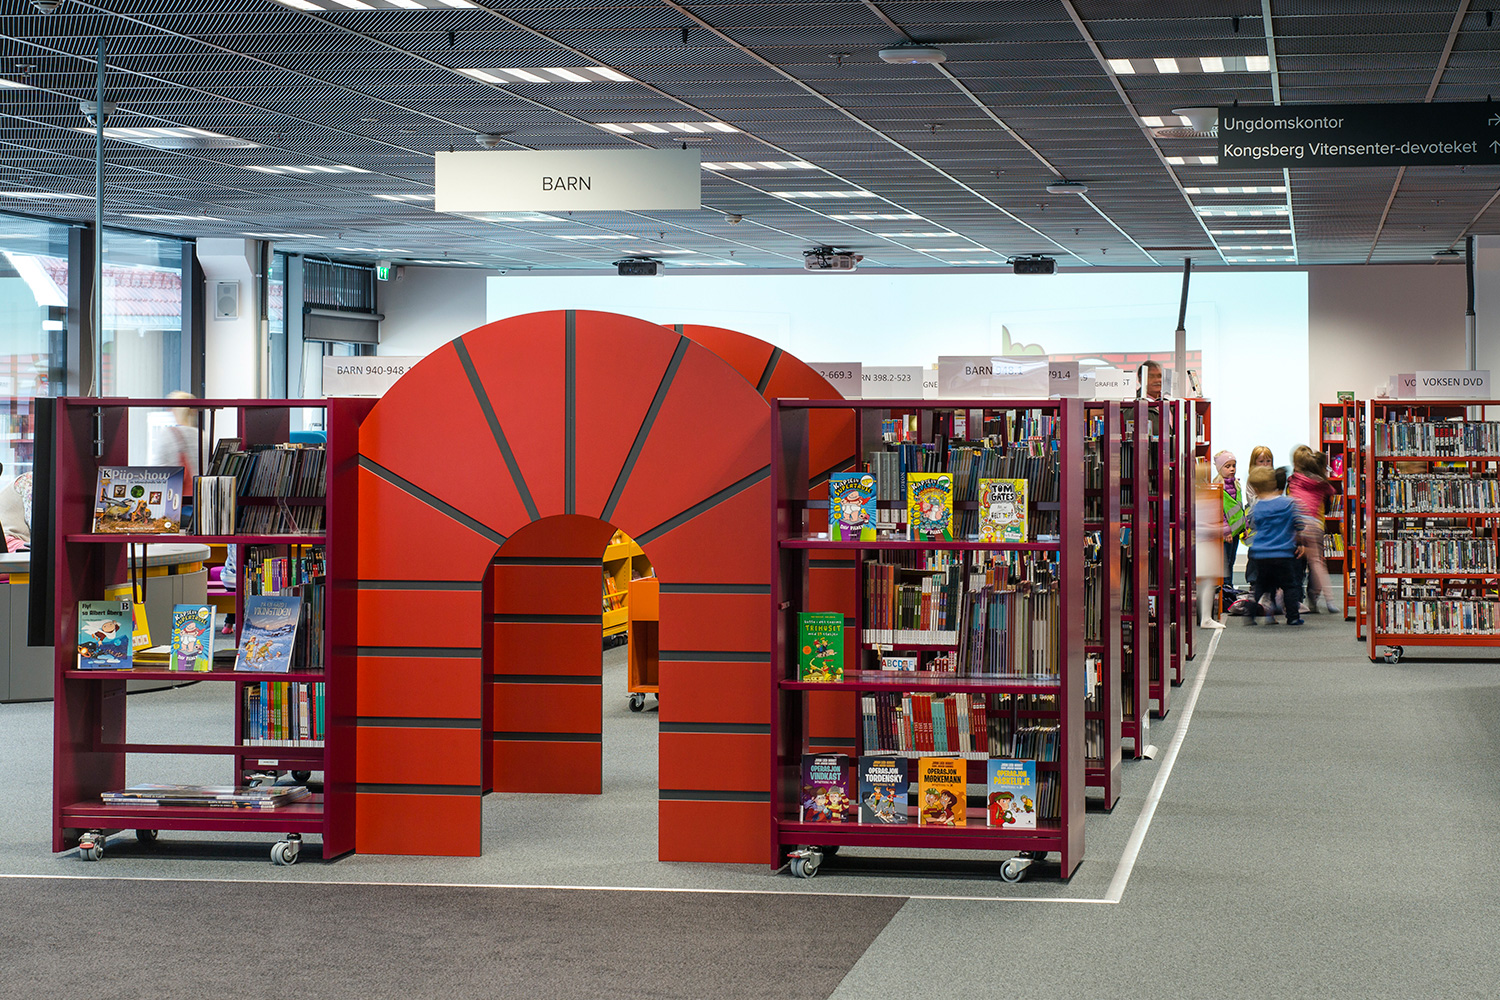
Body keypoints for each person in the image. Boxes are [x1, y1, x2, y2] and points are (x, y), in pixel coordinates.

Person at [1243, 465, 1305, 625]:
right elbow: (1299, 523)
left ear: (1256, 489)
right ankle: (1293, 617)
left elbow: (1253, 524)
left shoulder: (1257, 506)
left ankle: (1250, 614)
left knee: (1261, 585)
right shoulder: (1289, 503)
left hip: (1261, 553)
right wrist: (1300, 542)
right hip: (1283, 553)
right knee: (1289, 586)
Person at [1289, 445, 1338, 614]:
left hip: (1297, 525)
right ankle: (1327, 600)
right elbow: (1331, 493)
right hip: (1315, 525)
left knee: (1293, 562)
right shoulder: (1321, 483)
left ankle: (1292, 599)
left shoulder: (1294, 480)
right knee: (1317, 565)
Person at [1214, 450, 1246, 587]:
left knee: (1231, 561)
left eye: (1234, 465)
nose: (1232, 469)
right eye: (1227, 466)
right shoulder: (1218, 487)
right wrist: (1226, 530)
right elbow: (1219, 511)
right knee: (1225, 564)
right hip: (1226, 534)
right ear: (1220, 468)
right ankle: (1226, 588)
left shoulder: (1236, 485)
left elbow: (1239, 507)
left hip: (1236, 531)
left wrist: (1245, 526)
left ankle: (1230, 587)